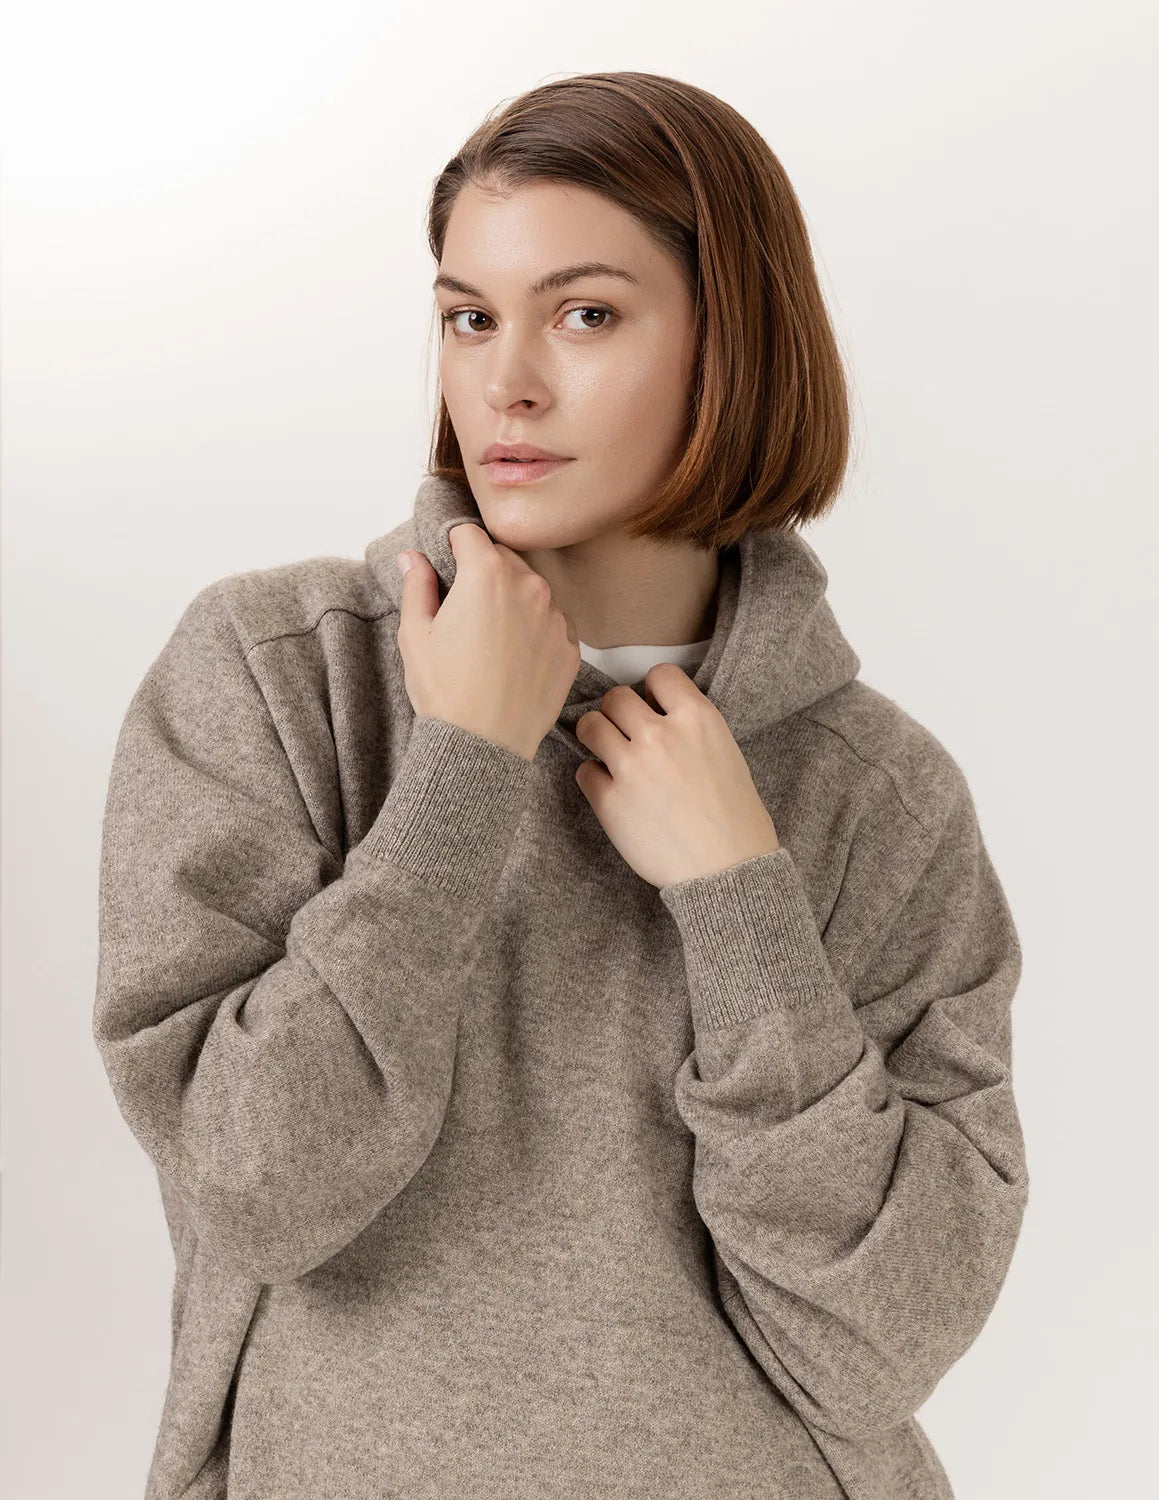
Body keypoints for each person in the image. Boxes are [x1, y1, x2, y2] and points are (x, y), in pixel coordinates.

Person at [93, 70, 1029, 1500]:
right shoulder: (280, 678)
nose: (505, 381)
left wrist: (739, 902)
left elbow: (878, 1345)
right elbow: (254, 1187)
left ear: (737, 344)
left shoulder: (876, 793)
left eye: (586, 314)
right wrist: (462, 770)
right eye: (470, 316)